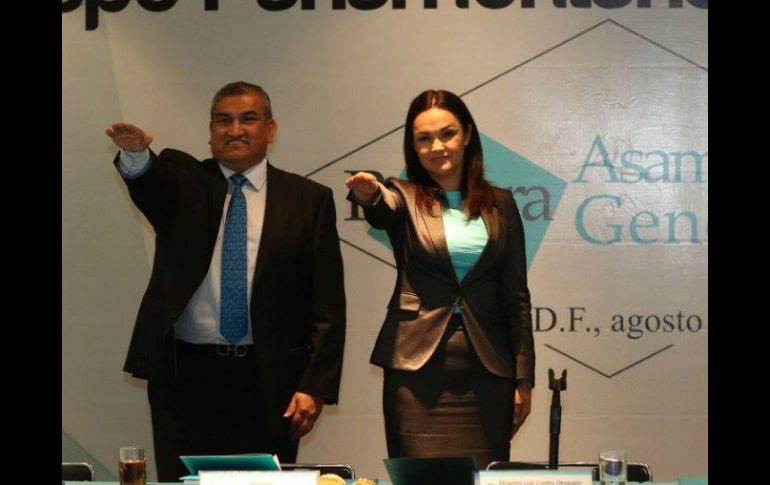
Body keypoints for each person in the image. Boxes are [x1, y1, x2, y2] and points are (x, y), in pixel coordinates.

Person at [106, 81, 346, 481]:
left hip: (270, 381)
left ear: (270, 129)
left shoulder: (309, 199)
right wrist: (137, 156)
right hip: (186, 379)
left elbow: (327, 303)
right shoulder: (184, 181)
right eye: (223, 120)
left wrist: (315, 385)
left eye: (248, 119)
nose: (235, 130)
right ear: (211, 130)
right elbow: (152, 185)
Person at [345, 89, 535, 468]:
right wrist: (370, 194)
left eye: (447, 134)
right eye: (424, 139)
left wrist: (523, 378)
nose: (436, 147)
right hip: (416, 372)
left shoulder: (501, 203)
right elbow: (384, 207)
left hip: (489, 372)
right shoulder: (403, 194)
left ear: (467, 135)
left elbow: (516, 296)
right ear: (413, 147)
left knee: (483, 476)